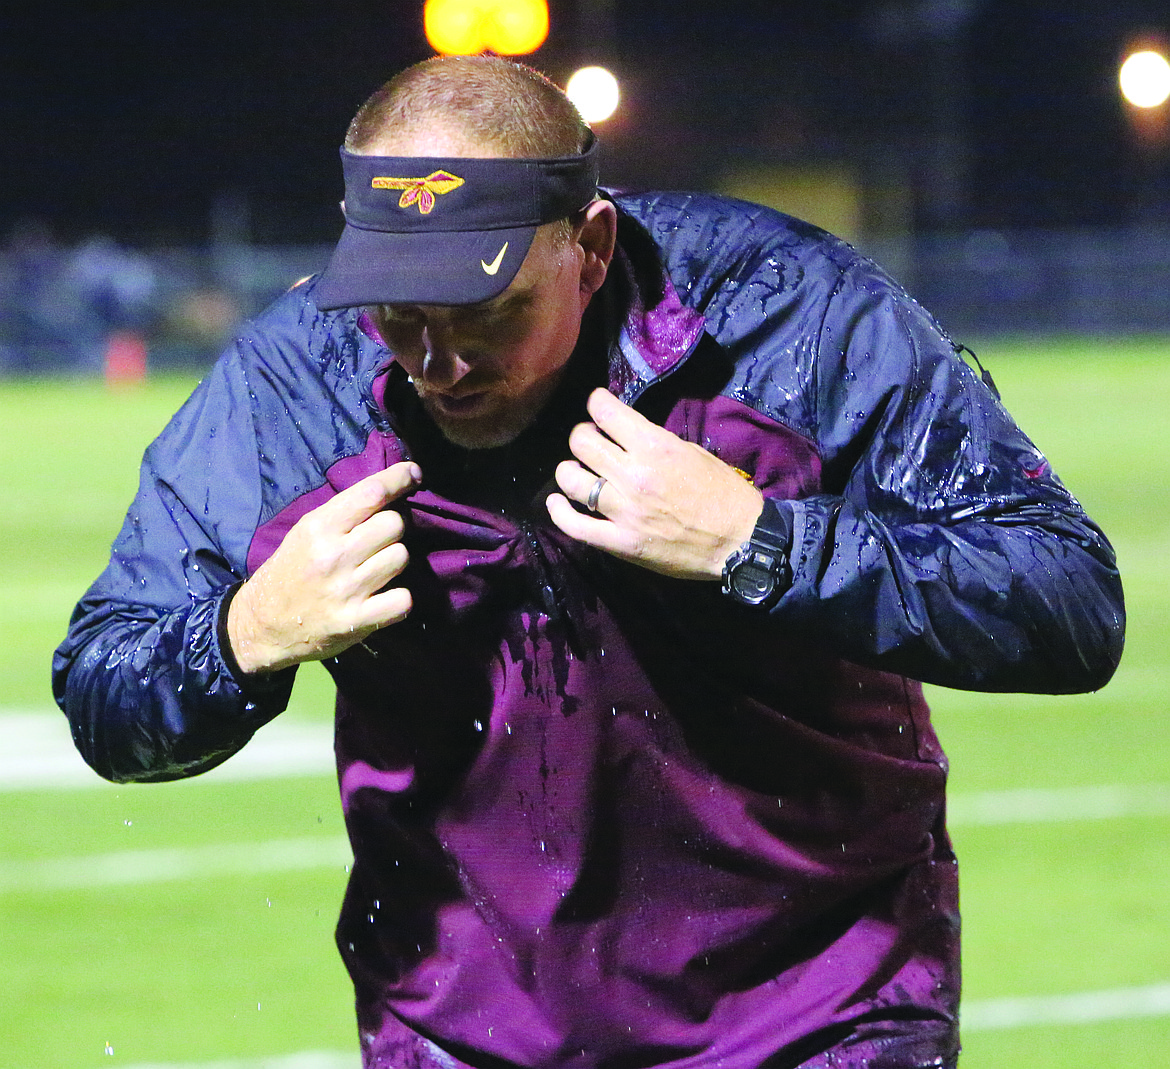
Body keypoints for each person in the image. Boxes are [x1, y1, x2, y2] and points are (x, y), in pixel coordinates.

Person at [54, 55, 1124, 1069]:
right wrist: (242, 638)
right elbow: (107, 693)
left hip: (821, 1008)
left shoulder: (790, 318)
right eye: (399, 314)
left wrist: (765, 544)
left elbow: (1068, 600)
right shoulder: (296, 390)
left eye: (486, 311)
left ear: (593, 246)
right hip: (461, 1031)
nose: (440, 362)